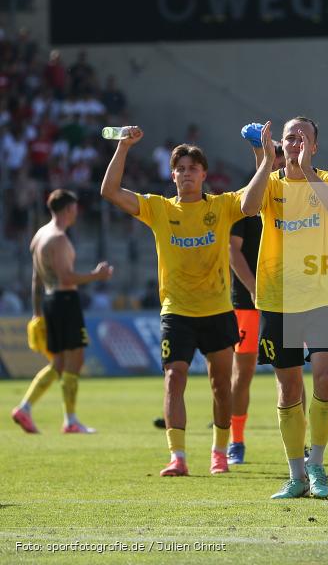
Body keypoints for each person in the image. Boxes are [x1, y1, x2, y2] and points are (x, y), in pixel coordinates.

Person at [100, 127, 250, 476]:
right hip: (177, 311)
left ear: (203, 174)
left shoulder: (223, 206)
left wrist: (261, 158)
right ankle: (178, 457)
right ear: (172, 175)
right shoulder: (158, 208)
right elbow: (108, 191)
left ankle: (219, 452)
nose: (186, 173)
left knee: (220, 385)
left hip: (217, 309)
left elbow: (252, 200)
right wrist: (123, 147)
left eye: (192, 168)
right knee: (174, 378)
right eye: (180, 168)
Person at [241, 118, 328, 499]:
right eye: (290, 136)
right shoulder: (270, 182)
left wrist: (307, 173)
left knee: (325, 379)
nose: (296, 141)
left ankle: (317, 463)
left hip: (322, 296)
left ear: (315, 147)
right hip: (278, 298)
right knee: (288, 389)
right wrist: (264, 162)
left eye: (303, 137)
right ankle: (295, 475)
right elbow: (247, 206)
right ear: (280, 144)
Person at [11, 190, 113, 434]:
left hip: (49, 301)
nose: (76, 213)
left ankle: (25, 407)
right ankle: (70, 420)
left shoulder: (39, 236)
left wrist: (37, 312)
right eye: (74, 208)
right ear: (68, 209)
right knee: (74, 361)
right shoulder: (58, 239)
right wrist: (96, 276)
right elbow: (66, 277)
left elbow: (36, 277)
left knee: (58, 362)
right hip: (66, 301)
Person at [226, 139, 285, 465]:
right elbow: (233, 250)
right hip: (248, 300)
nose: (275, 161)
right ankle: (236, 441)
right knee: (243, 371)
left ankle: (299, 444)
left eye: (277, 155)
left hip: (284, 297)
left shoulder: (291, 196)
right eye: (269, 155)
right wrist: (253, 289)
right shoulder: (245, 198)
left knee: (287, 370)